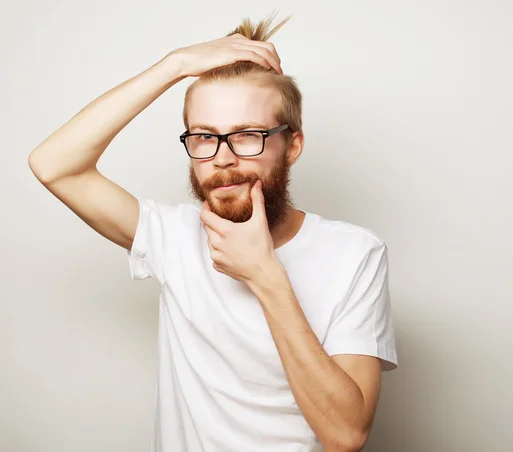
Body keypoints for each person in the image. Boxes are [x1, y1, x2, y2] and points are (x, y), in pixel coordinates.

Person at [28, 13, 398, 452]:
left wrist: (264, 275)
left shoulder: (355, 253)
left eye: (247, 136)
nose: (222, 158)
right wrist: (174, 65)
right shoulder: (173, 237)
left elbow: (346, 434)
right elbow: (53, 165)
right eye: (204, 137)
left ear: (292, 146)